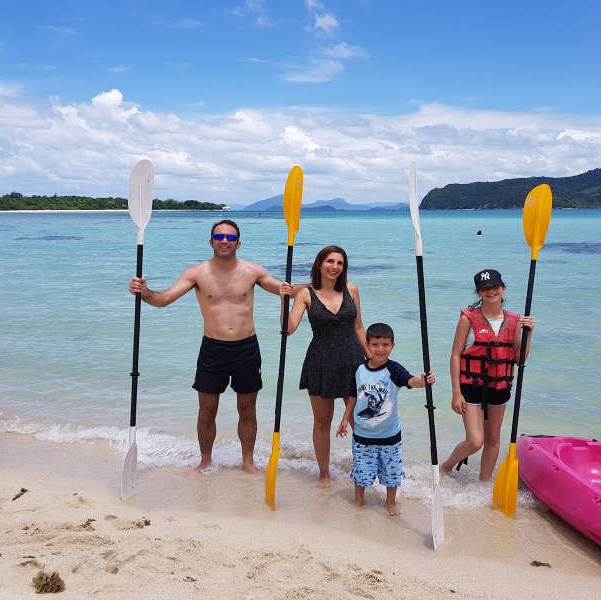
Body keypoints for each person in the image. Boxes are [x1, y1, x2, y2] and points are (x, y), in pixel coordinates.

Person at [128, 219, 299, 475]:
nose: (225, 241)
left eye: (230, 238)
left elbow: (287, 291)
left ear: (238, 243)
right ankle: (205, 461)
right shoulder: (197, 273)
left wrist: (327, 285)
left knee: (247, 409)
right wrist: (144, 292)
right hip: (212, 349)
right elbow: (163, 299)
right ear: (211, 242)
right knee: (207, 410)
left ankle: (248, 462)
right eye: (219, 237)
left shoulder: (253, 271)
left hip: (246, 348)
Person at [280, 245, 369, 489]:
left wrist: (372, 359)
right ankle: (324, 473)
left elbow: (359, 327)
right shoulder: (306, 294)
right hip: (320, 360)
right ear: (319, 264)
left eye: (340, 263)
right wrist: (283, 302)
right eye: (330, 261)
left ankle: (364, 467)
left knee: (359, 419)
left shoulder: (352, 289)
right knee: (322, 420)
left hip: (353, 359)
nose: (335, 267)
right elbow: (288, 329)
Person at [440, 269, 535, 482]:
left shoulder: (514, 322)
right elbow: (455, 355)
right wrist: (456, 393)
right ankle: (446, 466)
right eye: (485, 289)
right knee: (475, 441)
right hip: (471, 386)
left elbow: (519, 359)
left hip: (499, 387)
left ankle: (483, 484)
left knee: (492, 437)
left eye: (494, 287)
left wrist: (529, 334)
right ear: (478, 293)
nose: (490, 291)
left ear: (503, 289)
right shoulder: (468, 319)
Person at [335, 323, 435, 516]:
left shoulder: (394, 369)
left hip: (390, 436)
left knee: (392, 473)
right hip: (363, 435)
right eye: (375, 344)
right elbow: (352, 396)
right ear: (367, 345)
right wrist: (345, 419)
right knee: (361, 471)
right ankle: (358, 500)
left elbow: (410, 381)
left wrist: (424, 381)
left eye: (385, 344)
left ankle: (390, 502)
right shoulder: (358, 369)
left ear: (393, 346)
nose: (380, 349)